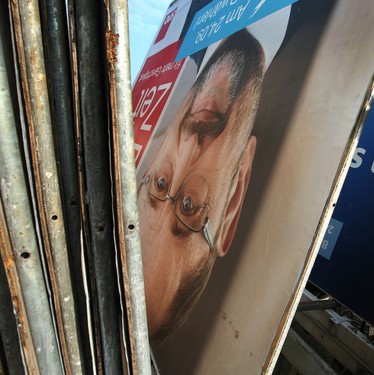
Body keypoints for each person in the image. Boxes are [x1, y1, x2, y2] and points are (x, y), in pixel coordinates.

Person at [137, 29, 265, 346]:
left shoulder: (178, 35)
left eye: (160, 183)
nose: (188, 147)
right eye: (189, 207)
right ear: (232, 202)